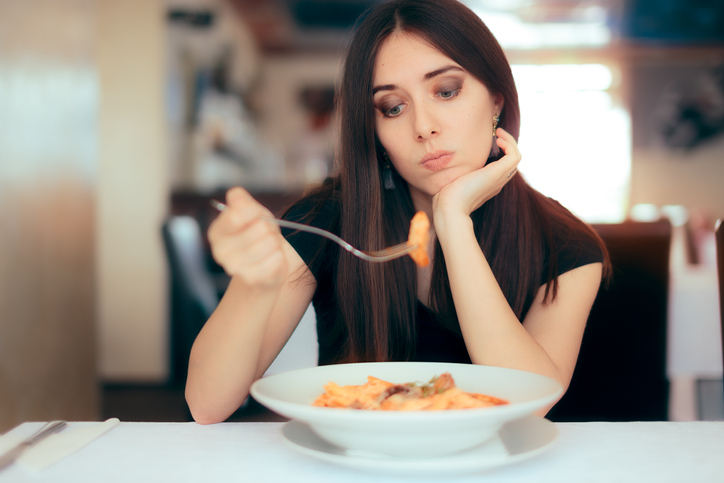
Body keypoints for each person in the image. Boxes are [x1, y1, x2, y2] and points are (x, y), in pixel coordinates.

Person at [185, 0, 610, 424]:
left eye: (446, 91)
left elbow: (530, 406)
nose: (423, 126)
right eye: (393, 107)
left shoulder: (566, 245)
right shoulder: (328, 218)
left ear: (496, 101)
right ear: (376, 131)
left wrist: (453, 220)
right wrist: (254, 283)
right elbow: (207, 404)